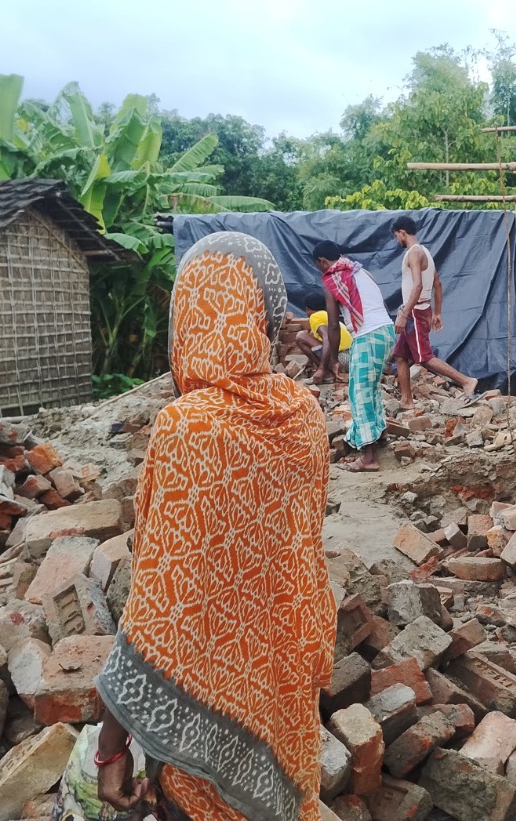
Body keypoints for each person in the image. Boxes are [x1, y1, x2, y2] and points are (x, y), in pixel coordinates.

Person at [94, 232, 336, 821]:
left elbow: (159, 609)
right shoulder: (303, 416)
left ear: (189, 318)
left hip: (197, 712)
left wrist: (110, 748)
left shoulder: (187, 429)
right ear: (261, 315)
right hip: (282, 692)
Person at [313, 239, 394, 472]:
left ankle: (369, 458)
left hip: (368, 335)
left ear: (322, 261)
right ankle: (380, 436)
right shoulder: (362, 271)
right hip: (385, 332)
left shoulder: (331, 279)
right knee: (371, 388)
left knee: (360, 394)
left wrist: (334, 360)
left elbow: (334, 326)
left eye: (318, 266)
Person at [390, 216, 478, 407]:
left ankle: (466, 381)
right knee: (400, 355)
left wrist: (405, 315)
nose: (397, 240)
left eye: (397, 236)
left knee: (426, 358)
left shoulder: (414, 253)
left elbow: (418, 286)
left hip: (414, 312)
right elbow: (437, 283)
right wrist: (437, 313)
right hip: (421, 309)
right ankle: (407, 400)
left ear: (402, 232)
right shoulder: (426, 253)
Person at [292, 302, 351, 384]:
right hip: (351, 360)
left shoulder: (315, 316)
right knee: (309, 336)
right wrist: (310, 361)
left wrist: (321, 369)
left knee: (301, 336)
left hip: (342, 360)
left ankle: (326, 374)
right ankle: (325, 371)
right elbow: (319, 340)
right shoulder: (327, 316)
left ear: (307, 309)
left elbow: (327, 339)